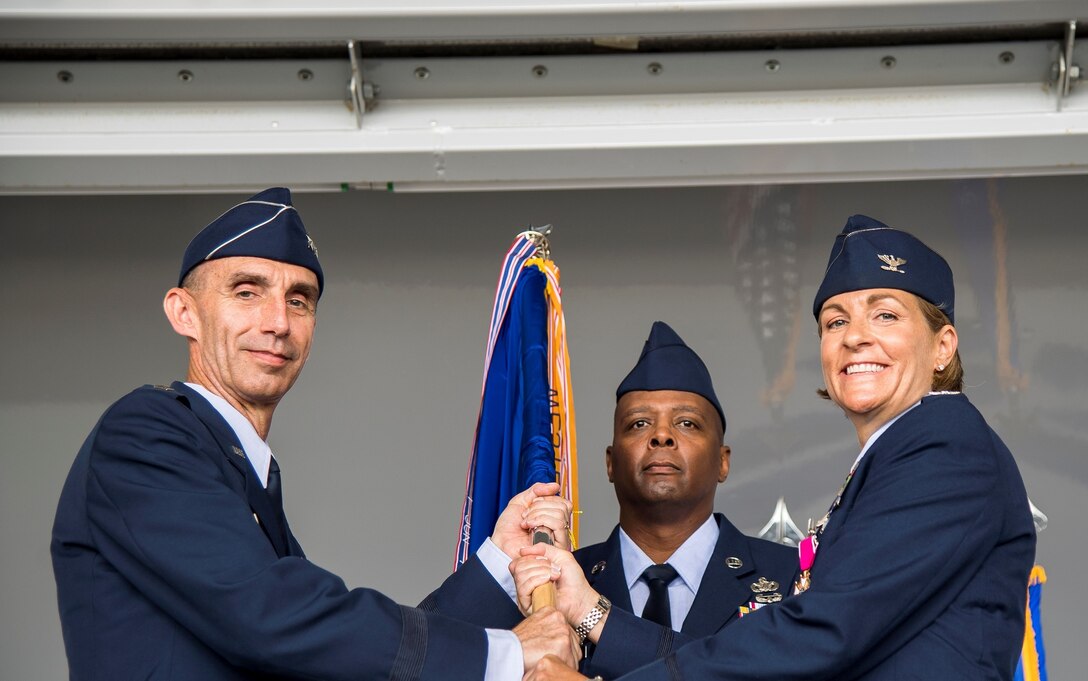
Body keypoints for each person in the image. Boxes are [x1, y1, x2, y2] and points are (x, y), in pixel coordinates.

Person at [50, 188, 577, 680]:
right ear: (184, 312)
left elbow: (339, 653)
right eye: (247, 291)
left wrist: (499, 566)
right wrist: (508, 654)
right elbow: (276, 615)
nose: (277, 321)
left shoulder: (244, 472)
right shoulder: (144, 433)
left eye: (299, 300)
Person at [523, 214, 1037, 681]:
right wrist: (590, 610)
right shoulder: (899, 454)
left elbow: (822, 633)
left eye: (884, 315)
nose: (855, 336)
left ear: (943, 347)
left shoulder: (943, 446)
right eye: (836, 321)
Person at [422, 321, 798, 679]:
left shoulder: (791, 578)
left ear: (722, 461)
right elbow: (420, 657)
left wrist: (593, 616)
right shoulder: (548, 581)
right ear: (610, 463)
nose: (662, 436)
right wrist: (499, 561)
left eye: (686, 423)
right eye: (638, 424)